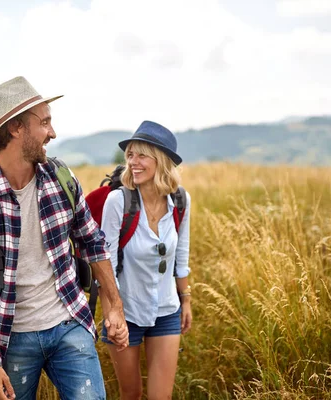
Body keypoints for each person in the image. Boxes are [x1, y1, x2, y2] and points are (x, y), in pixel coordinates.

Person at [0, 76, 128, 400]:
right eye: (44, 122)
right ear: (16, 128)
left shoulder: (61, 178)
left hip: (70, 323)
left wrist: (115, 306)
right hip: (11, 338)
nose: (53, 132)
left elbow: (92, 241)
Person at [100, 121, 192, 400]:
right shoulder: (118, 201)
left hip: (167, 311)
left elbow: (181, 254)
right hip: (125, 312)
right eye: (130, 155)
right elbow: (103, 263)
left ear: (161, 161)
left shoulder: (180, 200)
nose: (133, 162)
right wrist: (111, 314)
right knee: (131, 394)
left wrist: (185, 300)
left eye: (141, 156)